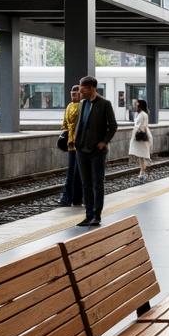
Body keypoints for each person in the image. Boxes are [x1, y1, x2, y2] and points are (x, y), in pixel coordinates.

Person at [74, 75, 118, 228]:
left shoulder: (104, 104)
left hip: (97, 151)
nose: (81, 92)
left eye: (83, 89)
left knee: (98, 183)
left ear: (91, 88)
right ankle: (88, 215)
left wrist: (104, 142)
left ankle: (97, 215)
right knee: (86, 183)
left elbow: (113, 126)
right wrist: (76, 142)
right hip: (81, 149)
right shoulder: (82, 104)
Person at [57, 84, 83, 207]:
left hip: (76, 142)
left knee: (74, 171)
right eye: (72, 94)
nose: (73, 96)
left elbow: (65, 125)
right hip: (72, 143)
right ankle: (73, 197)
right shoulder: (74, 106)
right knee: (74, 171)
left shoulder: (79, 106)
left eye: (75, 94)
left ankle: (70, 197)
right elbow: (65, 124)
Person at [128, 98, 152, 181]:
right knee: (142, 155)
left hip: (140, 137)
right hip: (142, 136)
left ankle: (142, 172)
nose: (135, 105)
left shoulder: (142, 114)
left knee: (142, 155)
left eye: (137, 104)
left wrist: (135, 132)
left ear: (140, 106)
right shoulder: (142, 114)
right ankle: (142, 172)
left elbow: (139, 125)